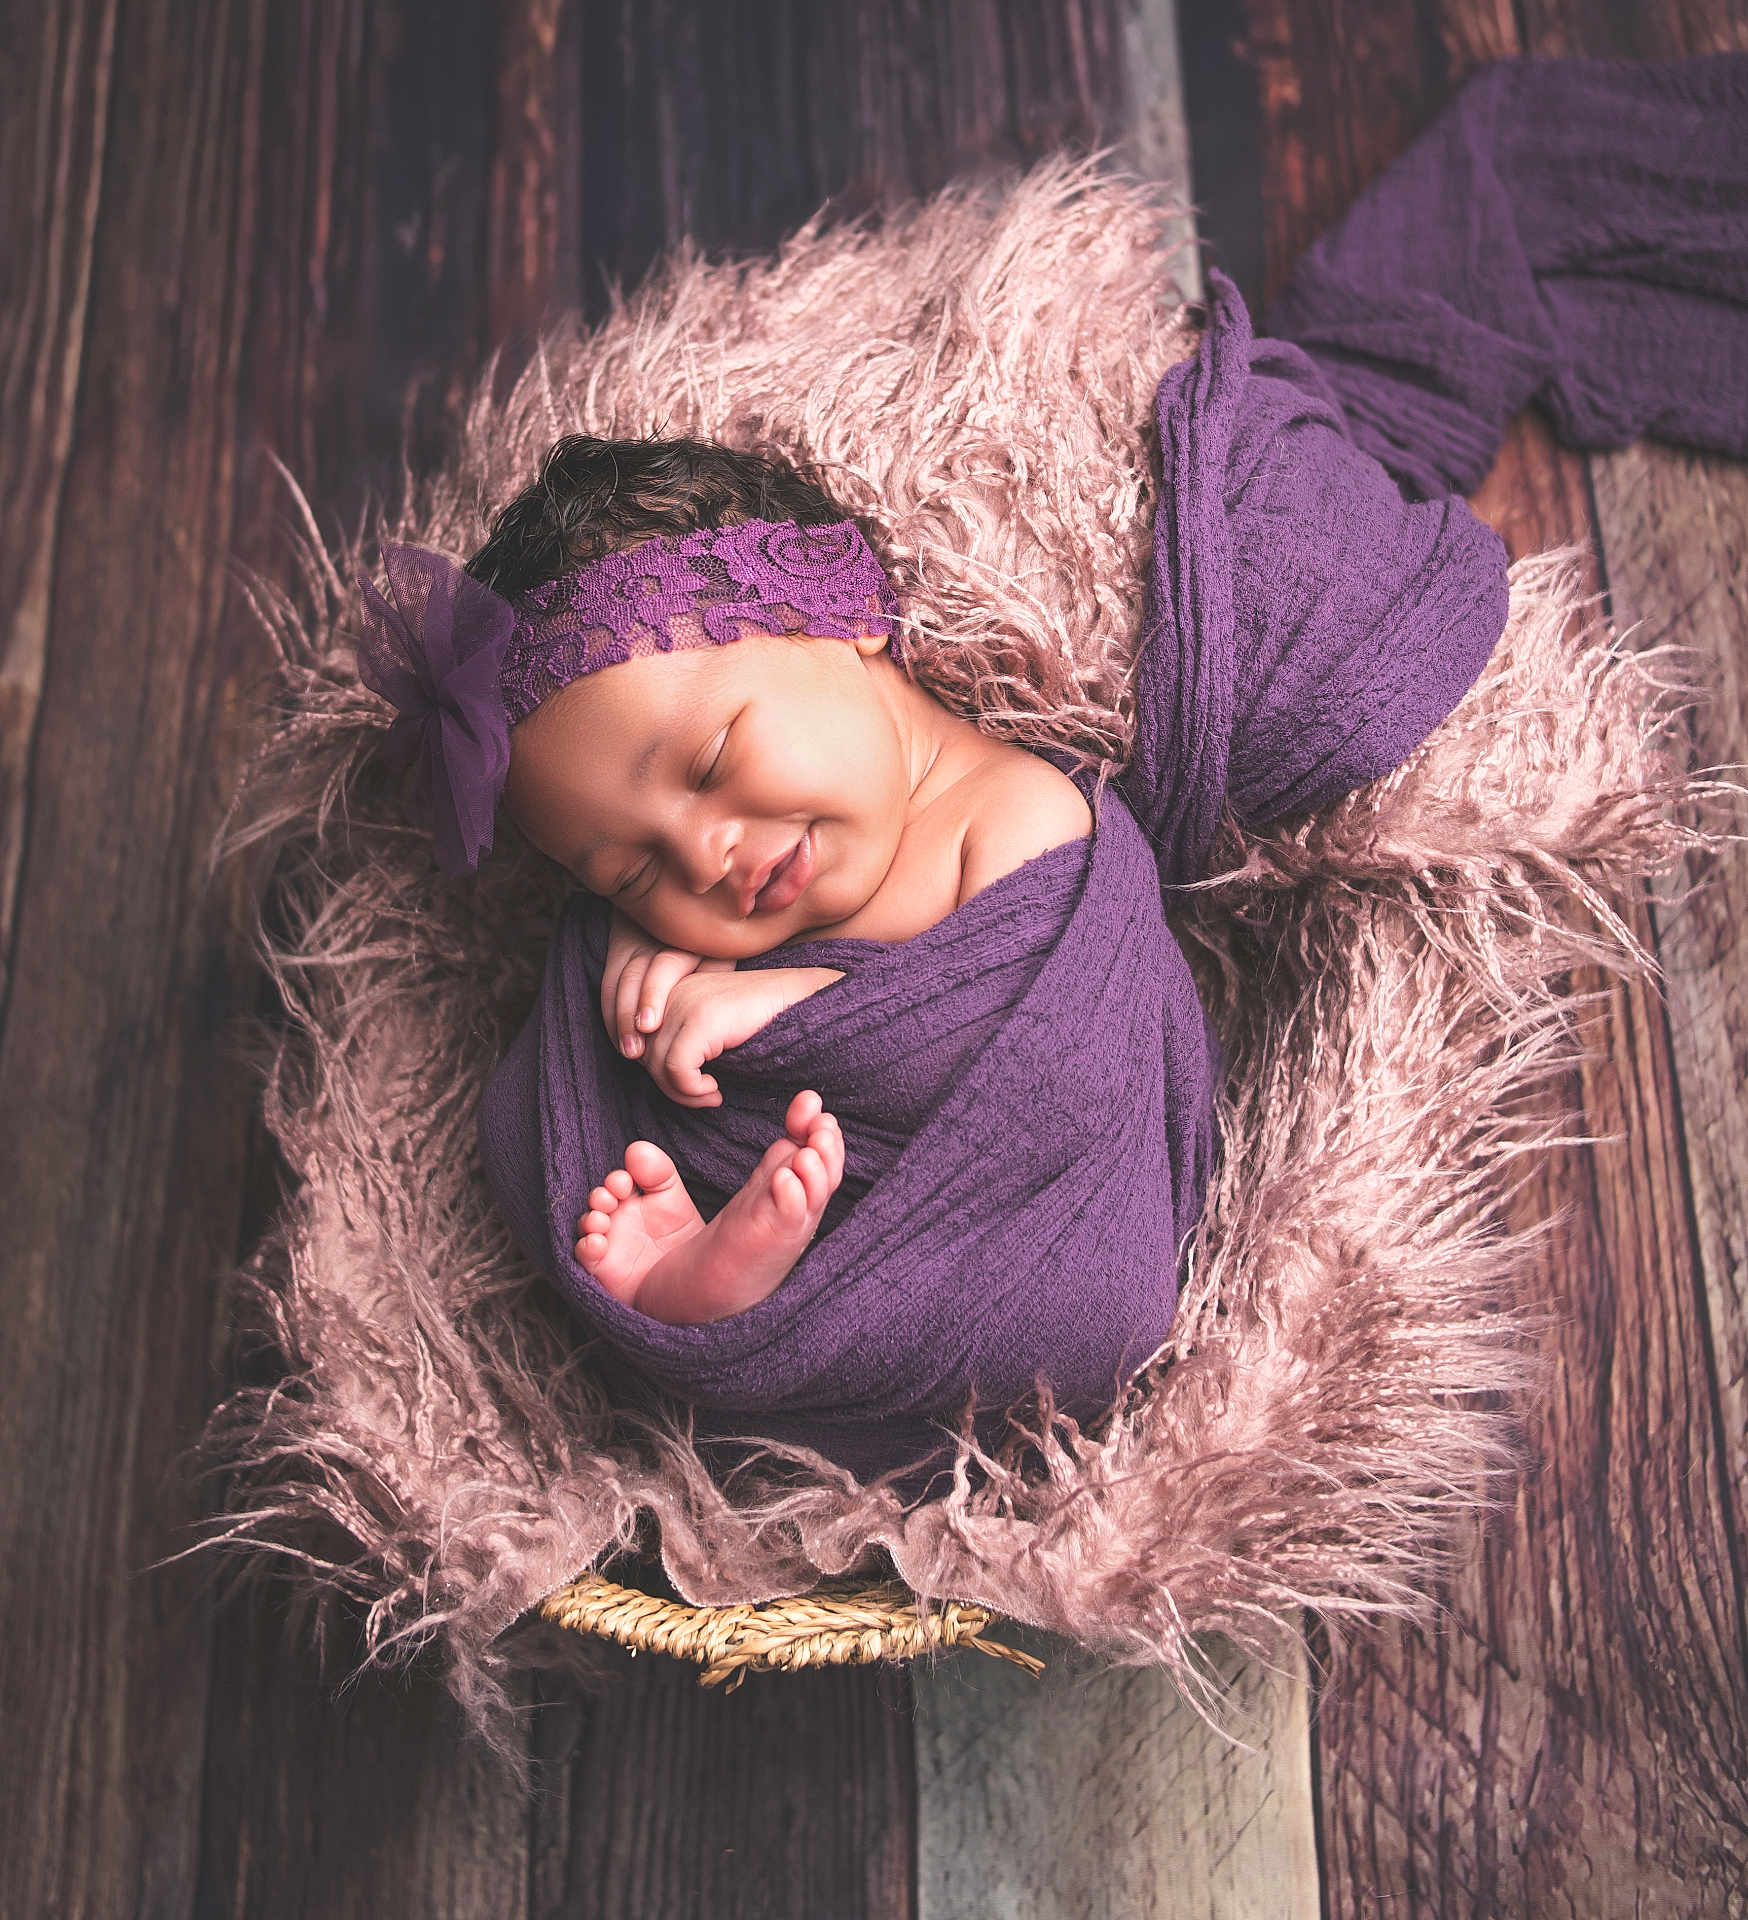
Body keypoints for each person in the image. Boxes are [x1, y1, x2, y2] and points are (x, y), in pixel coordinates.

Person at [365, 431, 1093, 1327]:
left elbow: (1056, 1071)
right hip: (827, 1228)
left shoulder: (1015, 814)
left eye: (711, 764)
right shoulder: (715, 909)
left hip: (1017, 1249)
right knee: (530, 1122)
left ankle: (747, 1292)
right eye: (633, 870)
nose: (704, 858)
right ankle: (696, 1274)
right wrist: (639, 947)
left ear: (840, 612)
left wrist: (798, 1002)